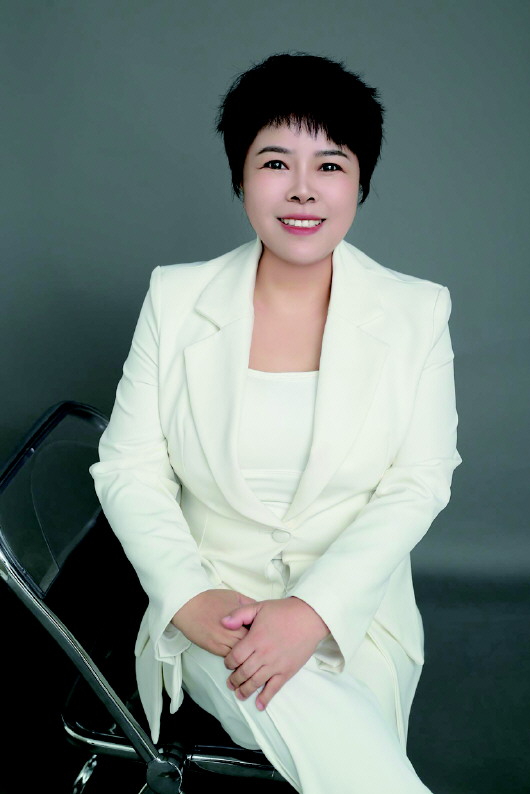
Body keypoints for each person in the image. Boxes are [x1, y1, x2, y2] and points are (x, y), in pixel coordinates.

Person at [90, 52, 461, 793]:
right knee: (330, 733)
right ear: (240, 178)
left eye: (330, 165)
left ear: (360, 182)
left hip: (356, 612)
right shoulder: (176, 299)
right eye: (274, 162)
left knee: (346, 738)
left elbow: (419, 482)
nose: (302, 189)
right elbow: (128, 469)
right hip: (216, 615)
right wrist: (188, 598)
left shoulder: (417, 311)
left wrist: (313, 611)